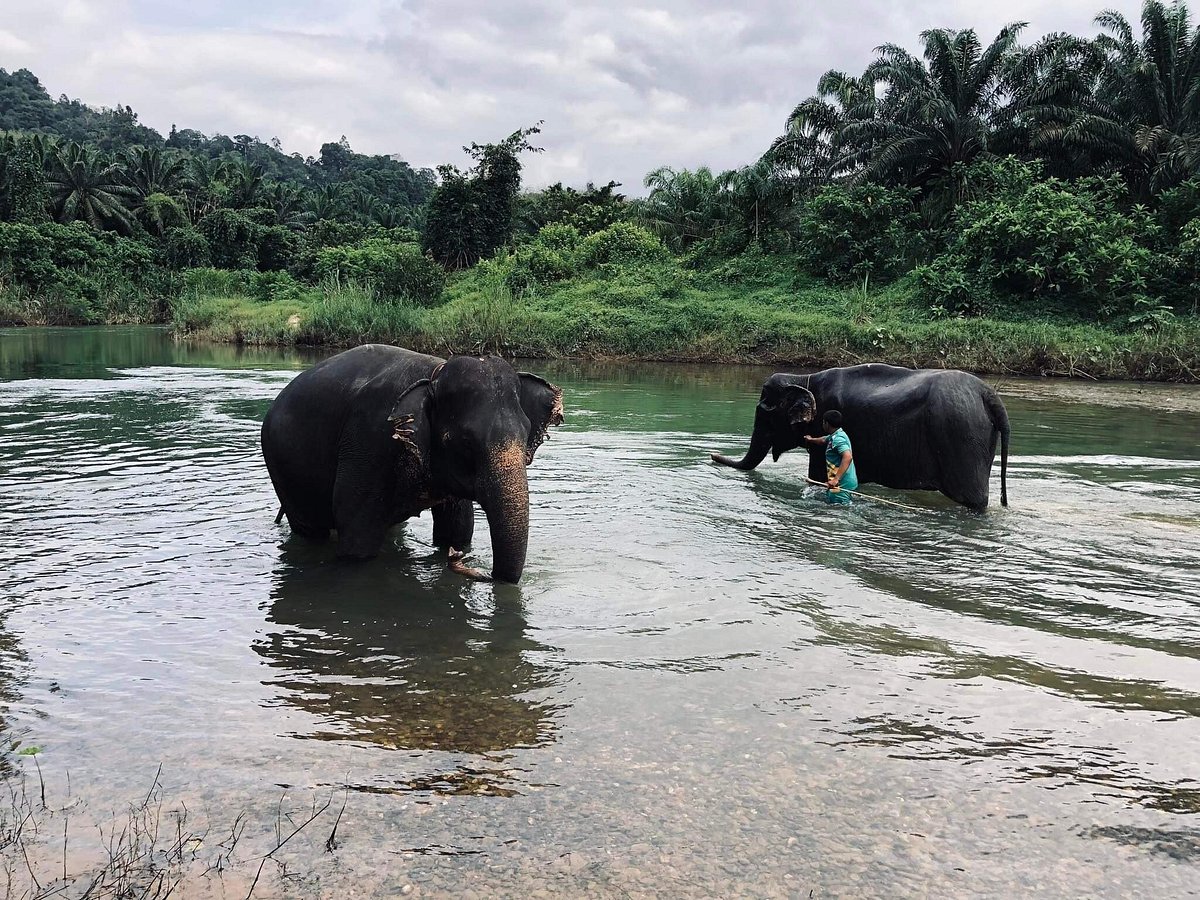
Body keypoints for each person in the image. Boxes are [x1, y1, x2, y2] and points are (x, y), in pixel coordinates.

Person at [803, 410, 858, 504]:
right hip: (842, 481)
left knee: (838, 511)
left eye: (823, 422)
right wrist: (811, 439)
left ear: (826, 424)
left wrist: (836, 480)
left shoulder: (838, 439)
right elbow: (824, 440)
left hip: (841, 484)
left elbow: (848, 457)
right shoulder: (837, 435)